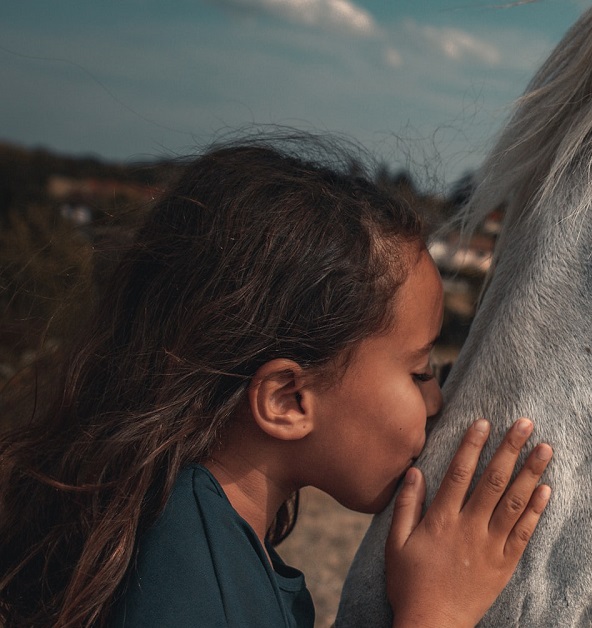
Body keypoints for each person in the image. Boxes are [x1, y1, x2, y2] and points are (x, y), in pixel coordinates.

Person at [0, 140, 553, 627]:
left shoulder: (200, 535)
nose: (436, 401)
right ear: (287, 400)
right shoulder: (187, 576)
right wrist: (438, 613)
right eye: (418, 371)